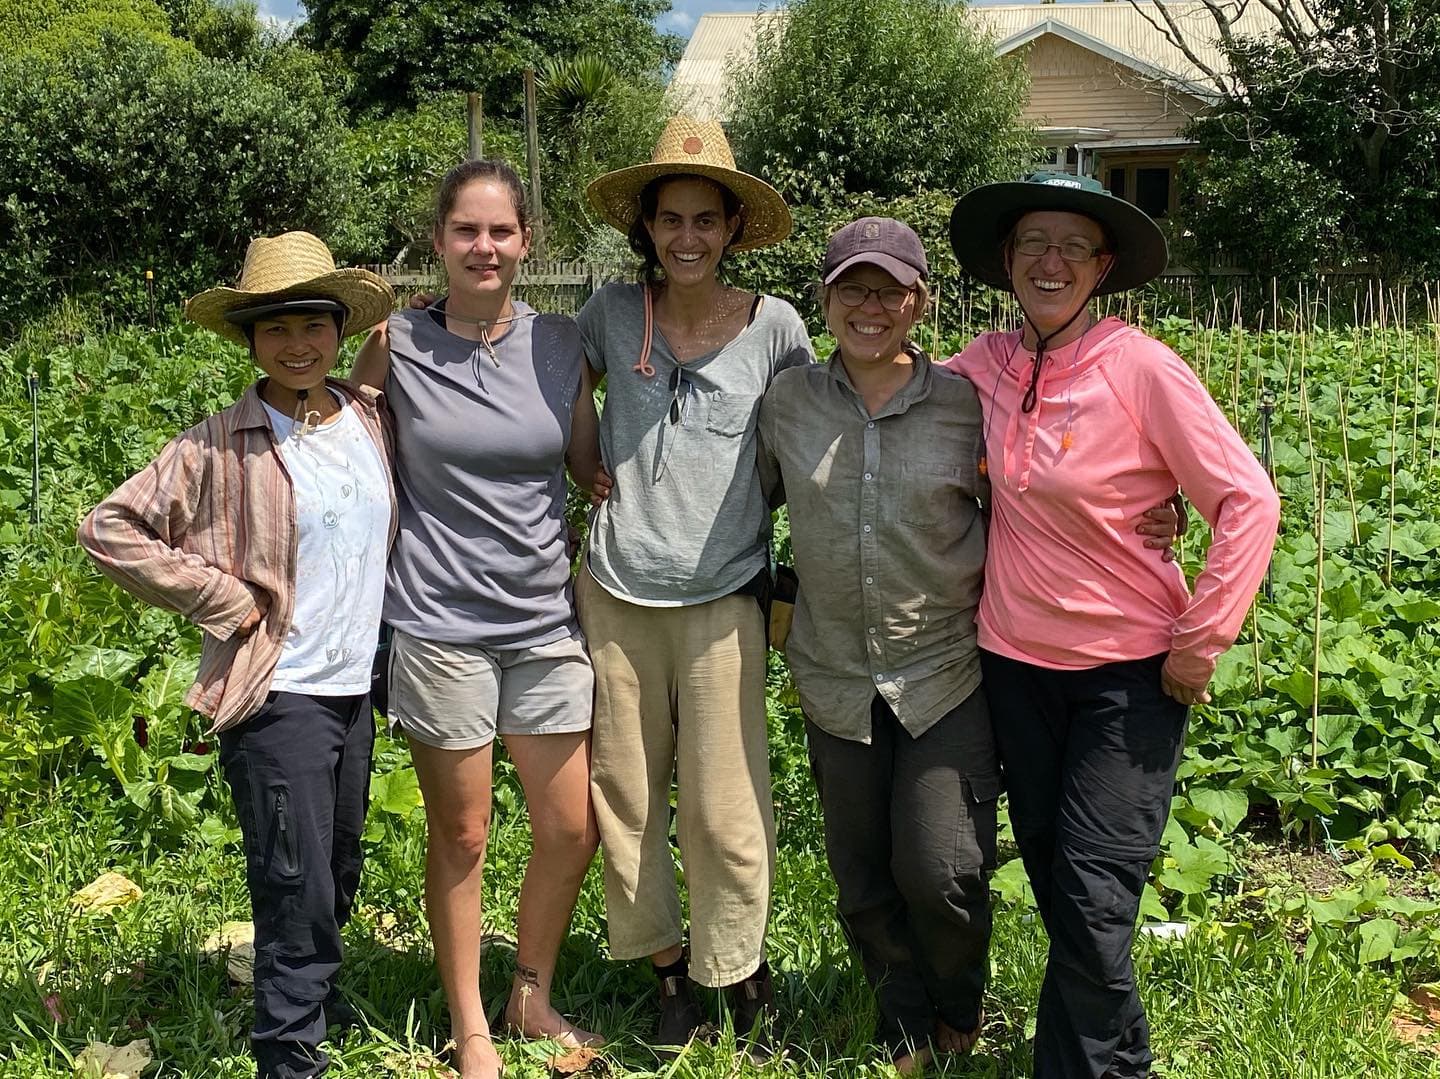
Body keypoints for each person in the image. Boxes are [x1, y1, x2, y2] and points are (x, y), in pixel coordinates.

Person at [756, 217, 1181, 1074]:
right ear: (826, 299)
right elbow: (746, 510)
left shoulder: (964, 399)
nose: (871, 307)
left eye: (891, 290)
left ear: (921, 301)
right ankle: (904, 1018)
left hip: (945, 669)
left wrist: (1151, 514)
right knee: (862, 873)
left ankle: (958, 1003)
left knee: (945, 865)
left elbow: (1046, 486)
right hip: (834, 673)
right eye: (853, 288)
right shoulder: (788, 404)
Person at [944, 171, 1281, 1079]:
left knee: (1096, 898)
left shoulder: (1141, 367)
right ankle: (1104, 1056)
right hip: (1013, 665)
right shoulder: (984, 366)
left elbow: (1248, 500)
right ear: (1006, 262)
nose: (1049, 263)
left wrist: (1198, 644)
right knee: (1062, 888)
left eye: (1071, 247)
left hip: (1127, 676)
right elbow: (893, 407)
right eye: (1031, 246)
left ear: (1101, 266)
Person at [79, 232, 398, 1079]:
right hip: (278, 692)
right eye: (275, 329)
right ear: (250, 341)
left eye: (313, 325)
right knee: (293, 880)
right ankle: (288, 1056)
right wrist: (222, 598)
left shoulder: (367, 418)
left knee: (337, 863)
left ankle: (314, 1008)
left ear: (338, 330)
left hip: (356, 688)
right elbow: (109, 527)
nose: (297, 344)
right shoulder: (222, 442)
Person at [351, 159, 605, 1079]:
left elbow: (584, 464)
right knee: (460, 833)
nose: (485, 247)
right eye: (468, 230)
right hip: (439, 618)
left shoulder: (562, 343)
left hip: (544, 618)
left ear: (527, 242)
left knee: (570, 825)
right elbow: (353, 456)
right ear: (440, 241)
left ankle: (530, 992)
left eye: (502, 231)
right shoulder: (396, 343)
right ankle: (471, 1027)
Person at [574, 116, 812, 1051]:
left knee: (725, 802)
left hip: (724, 597)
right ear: (647, 227)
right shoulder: (607, 311)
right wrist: (583, 467)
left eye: (704, 220)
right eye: (670, 219)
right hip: (618, 587)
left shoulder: (775, 326)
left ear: (731, 229)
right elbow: (565, 392)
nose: (686, 238)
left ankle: (740, 970)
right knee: (625, 790)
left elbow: (808, 435)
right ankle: (668, 970)